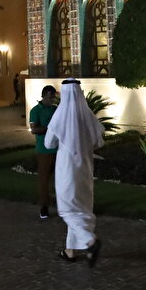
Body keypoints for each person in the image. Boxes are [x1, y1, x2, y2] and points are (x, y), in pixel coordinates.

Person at [44, 78, 103, 266]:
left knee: (68, 209)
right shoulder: (88, 114)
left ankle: (90, 241)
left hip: (67, 169)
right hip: (85, 167)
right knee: (81, 207)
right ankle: (69, 251)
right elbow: (99, 142)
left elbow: (48, 143)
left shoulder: (59, 115)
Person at [27, 84, 58, 219]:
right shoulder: (35, 110)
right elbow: (34, 129)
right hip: (43, 150)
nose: (53, 99)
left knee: (61, 179)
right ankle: (44, 206)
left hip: (58, 149)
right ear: (45, 95)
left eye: (54, 97)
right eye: (51, 97)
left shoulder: (56, 109)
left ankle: (62, 204)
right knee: (44, 180)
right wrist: (50, 128)